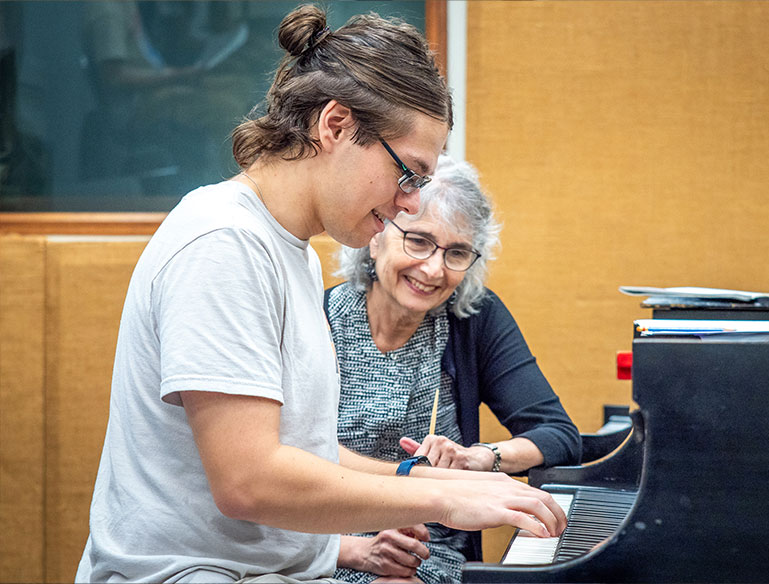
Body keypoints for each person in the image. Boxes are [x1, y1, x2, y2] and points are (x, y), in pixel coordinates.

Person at [75, 6, 565, 584]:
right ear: (334, 125)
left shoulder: (295, 254)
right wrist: (446, 503)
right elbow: (249, 481)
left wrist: (446, 479)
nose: (410, 202)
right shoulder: (224, 242)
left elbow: (301, 452)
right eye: (408, 173)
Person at [325, 155, 582, 583]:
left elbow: (559, 436)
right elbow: (285, 463)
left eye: (457, 252)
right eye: (419, 241)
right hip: (324, 548)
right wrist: (359, 550)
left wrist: (481, 457)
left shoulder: (474, 319)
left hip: (431, 555)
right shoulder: (313, 319)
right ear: (376, 237)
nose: (434, 269)